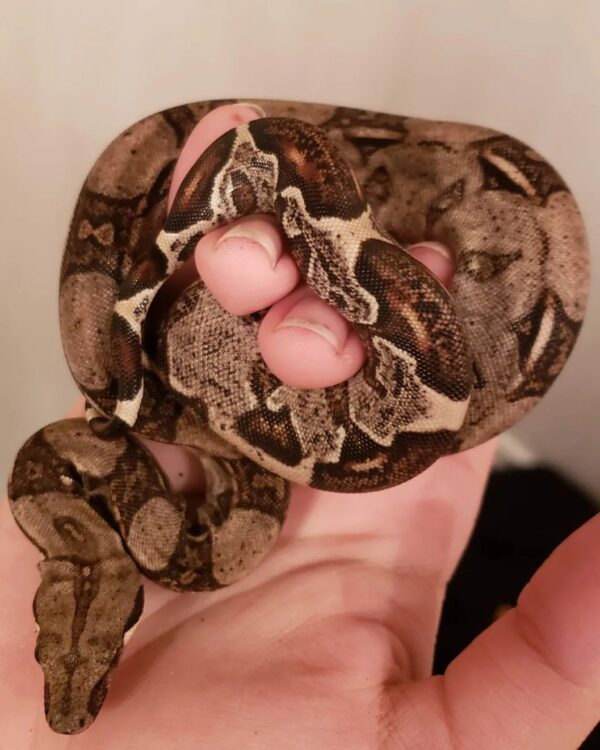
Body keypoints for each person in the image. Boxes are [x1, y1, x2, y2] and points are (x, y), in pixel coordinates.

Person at [1, 103, 598, 748]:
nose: (69, 712)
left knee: (250, 279)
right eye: (102, 664)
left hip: (304, 266)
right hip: (370, 357)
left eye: (63, 658)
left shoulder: (118, 421)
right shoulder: (122, 440)